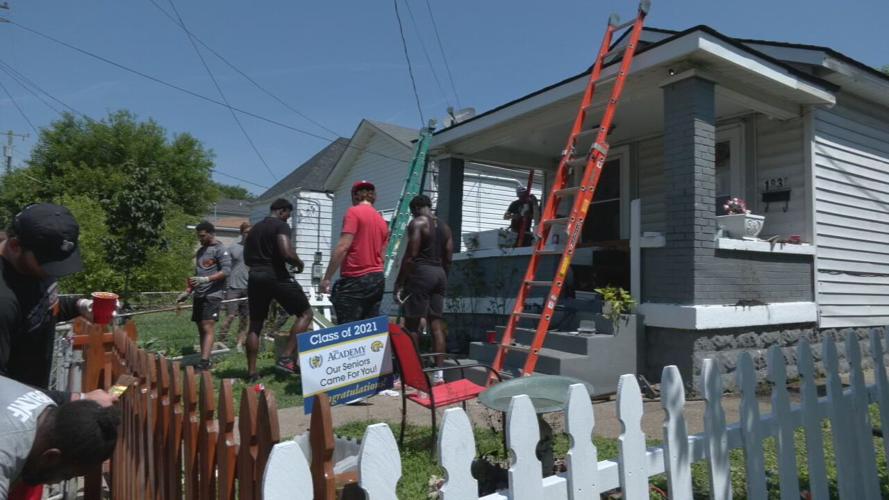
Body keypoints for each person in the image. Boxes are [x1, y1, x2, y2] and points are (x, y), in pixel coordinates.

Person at [0, 203, 115, 406]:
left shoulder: (33, 264)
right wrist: (79, 399)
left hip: (31, 399)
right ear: (15, 246)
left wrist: (79, 305)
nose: (52, 271)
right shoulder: (4, 300)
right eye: (47, 264)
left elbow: (36, 308)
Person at [0, 375, 120, 498]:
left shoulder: (43, 403)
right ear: (51, 457)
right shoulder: (4, 456)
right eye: (65, 476)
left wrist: (83, 397)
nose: (55, 483)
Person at [243, 198, 312, 381]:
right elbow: (286, 252)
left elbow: (246, 258)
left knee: (255, 325)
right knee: (305, 314)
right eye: (288, 215)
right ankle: (286, 358)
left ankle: (251, 372)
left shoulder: (254, 229)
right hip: (275, 276)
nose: (288, 219)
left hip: (255, 277)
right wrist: (299, 263)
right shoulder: (280, 226)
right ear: (282, 211)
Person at [394, 195, 453, 385]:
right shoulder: (445, 227)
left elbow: (411, 254)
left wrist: (399, 283)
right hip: (439, 273)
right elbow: (449, 257)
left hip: (421, 273)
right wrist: (442, 276)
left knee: (412, 325)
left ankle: (414, 374)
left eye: (412, 211)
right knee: (436, 325)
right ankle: (439, 375)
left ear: (417, 208)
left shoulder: (418, 223)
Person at [320, 180, 389, 324]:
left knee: (348, 328)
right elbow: (383, 256)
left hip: (356, 278)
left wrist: (327, 278)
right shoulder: (381, 221)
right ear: (373, 196)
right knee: (369, 327)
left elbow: (343, 247)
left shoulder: (353, 212)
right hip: (376, 279)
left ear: (355, 195)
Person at [176, 221, 231, 371]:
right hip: (199, 295)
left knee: (208, 326)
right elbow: (197, 275)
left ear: (211, 233)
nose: (200, 239)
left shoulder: (220, 250)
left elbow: (226, 271)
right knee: (201, 328)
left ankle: (204, 362)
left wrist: (207, 279)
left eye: (202, 236)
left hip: (213, 294)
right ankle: (203, 358)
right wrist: (187, 292)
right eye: (198, 236)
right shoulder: (201, 251)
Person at [218, 222, 251, 351]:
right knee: (230, 316)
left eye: (250, 232)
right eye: (246, 232)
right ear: (241, 233)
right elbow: (225, 268)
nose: (249, 234)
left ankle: (239, 344)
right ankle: (221, 341)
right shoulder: (233, 248)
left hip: (249, 288)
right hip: (233, 287)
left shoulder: (255, 249)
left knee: (245, 318)